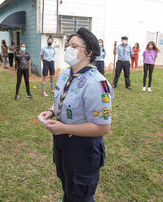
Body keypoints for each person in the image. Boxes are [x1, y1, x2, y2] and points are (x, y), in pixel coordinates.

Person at [39, 27, 113, 202]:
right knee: (67, 184)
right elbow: (61, 99)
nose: (68, 49)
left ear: (88, 52)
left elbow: (102, 127)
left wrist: (64, 128)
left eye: (74, 46)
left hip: (83, 148)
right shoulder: (65, 74)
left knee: (81, 193)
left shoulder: (97, 83)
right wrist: (51, 111)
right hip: (63, 142)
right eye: (68, 45)